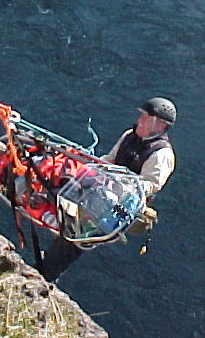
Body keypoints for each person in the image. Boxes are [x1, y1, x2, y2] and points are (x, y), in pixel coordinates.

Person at [39, 96, 177, 281]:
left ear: (159, 125)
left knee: (79, 235)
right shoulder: (130, 135)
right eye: (141, 116)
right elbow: (110, 159)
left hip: (118, 206)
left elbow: (150, 185)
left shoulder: (162, 154)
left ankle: (46, 273)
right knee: (63, 200)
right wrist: (91, 169)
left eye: (145, 118)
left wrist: (119, 183)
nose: (139, 121)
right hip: (100, 190)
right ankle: (49, 260)